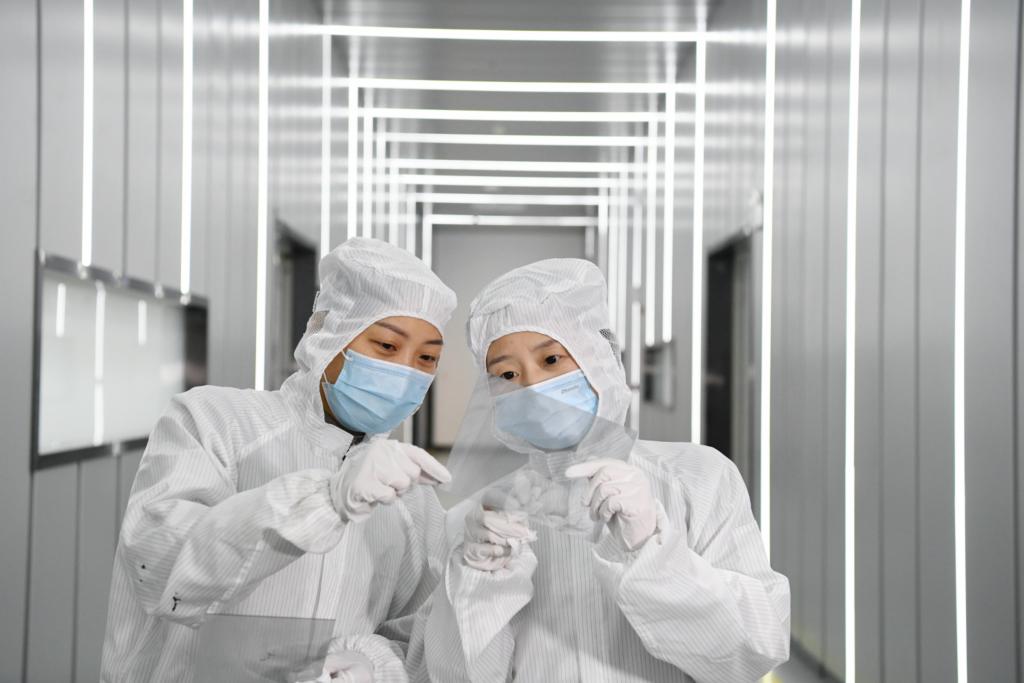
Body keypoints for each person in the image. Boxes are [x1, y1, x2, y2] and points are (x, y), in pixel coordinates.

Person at [411, 259, 790, 683]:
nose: (532, 387)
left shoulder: (699, 478)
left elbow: (754, 651)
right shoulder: (478, 524)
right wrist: (479, 582)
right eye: (507, 374)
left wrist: (651, 551)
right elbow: (448, 676)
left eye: (551, 359)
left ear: (600, 358)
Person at [101, 238, 457, 682]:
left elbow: (421, 633)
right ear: (330, 333)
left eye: (427, 358)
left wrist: (374, 664)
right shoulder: (215, 421)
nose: (406, 373)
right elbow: (157, 564)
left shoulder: (411, 498)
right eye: (386, 345)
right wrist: (322, 501)